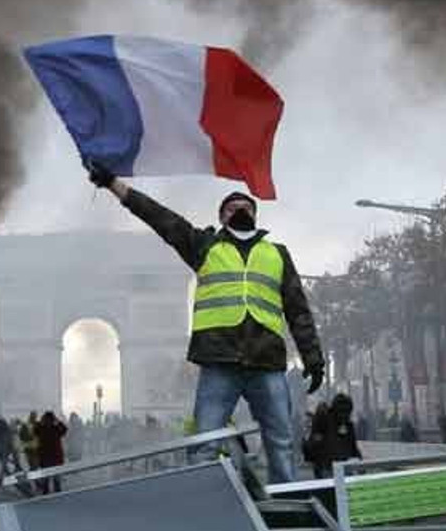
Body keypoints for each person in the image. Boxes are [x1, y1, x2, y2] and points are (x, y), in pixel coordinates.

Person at [87, 163, 325, 484]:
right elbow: (160, 217)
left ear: (255, 214)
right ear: (222, 217)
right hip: (219, 362)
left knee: (281, 443)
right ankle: (205, 503)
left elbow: (298, 311)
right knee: (204, 444)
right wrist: (115, 184)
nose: (239, 209)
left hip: (266, 361)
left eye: (245, 206)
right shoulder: (204, 246)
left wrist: (313, 357)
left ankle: (289, 509)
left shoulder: (278, 254)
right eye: (231, 207)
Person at [306, 394, 362, 478]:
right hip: (326, 466)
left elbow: (353, 447)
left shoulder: (348, 425)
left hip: (341, 466)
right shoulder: (325, 419)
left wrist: (361, 465)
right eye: (342, 411)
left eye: (346, 412)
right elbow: (314, 442)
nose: (344, 415)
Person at [33, 411, 69, 493]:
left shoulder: (44, 429)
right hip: (54, 457)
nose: (48, 421)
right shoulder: (53, 428)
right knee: (54, 480)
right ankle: (55, 494)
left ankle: (48, 495)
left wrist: (42, 421)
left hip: (48, 457)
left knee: (48, 479)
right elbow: (64, 430)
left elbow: (64, 430)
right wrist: (58, 421)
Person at [0, 417, 21, 483]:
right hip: (2, 450)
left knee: (4, 464)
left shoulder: (6, 430)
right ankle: (9, 473)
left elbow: (12, 435)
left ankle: (1, 478)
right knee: (4, 464)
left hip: (5, 449)